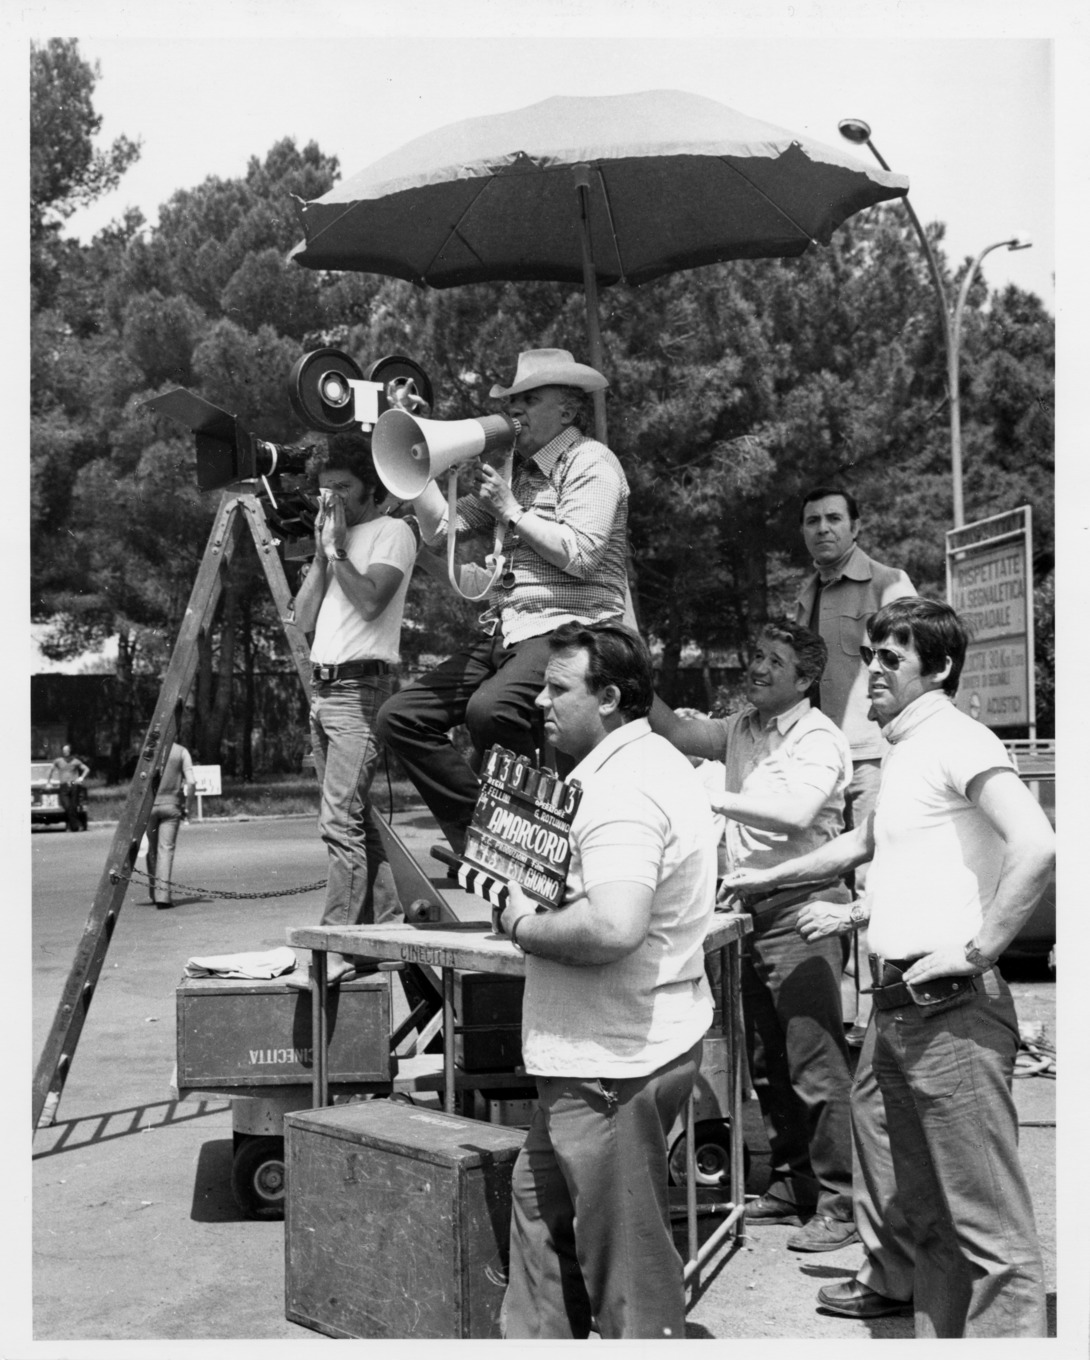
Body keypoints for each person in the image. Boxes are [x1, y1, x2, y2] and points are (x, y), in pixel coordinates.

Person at [722, 598, 1054, 1338]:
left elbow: (1037, 844)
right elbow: (861, 845)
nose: (872, 668)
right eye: (870, 654)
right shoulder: (908, 749)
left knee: (988, 1229)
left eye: (892, 658)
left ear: (938, 669)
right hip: (901, 1007)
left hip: (953, 1010)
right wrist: (767, 879)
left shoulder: (959, 740)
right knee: (929, 1217)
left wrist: (978, 950)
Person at [497, 622, 717, 1339]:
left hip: (611, 1066)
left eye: (559, 689)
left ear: (612, 697)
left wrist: (522, 925)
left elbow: (615, 927)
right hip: (598, 1058)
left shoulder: (622, 788)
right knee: (541, 1230)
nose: (540, 703)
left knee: (630, 1282)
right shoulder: (640, 766)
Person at [651, 619, 858, 1253]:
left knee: (815, 1064)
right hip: (751, 911)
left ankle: (843, 1203)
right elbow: (674, 731)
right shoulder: (742, 726)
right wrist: (627, 663)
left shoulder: (819, 737)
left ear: (807, 677)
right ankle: (793, 1186)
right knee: (768, 1065)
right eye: (757, 655)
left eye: (774, 661)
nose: (758, 668)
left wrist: (712, 799)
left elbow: (797, 813)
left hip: (805, 910)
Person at [375, 349, 629, 854]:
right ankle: (491, 838)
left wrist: (511, 510)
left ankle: (527, 839)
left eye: (529, 400)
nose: (515, 411)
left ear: (567, 410)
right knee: (399, 717)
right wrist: (421, 463)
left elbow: (581, 555)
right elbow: (442, 530)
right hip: (511, 631)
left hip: (573, 629)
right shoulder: (515, 472)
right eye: (514, 401)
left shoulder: (591, 461)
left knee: (491, 710)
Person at [793, 484, 918, 1309]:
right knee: (819, 929)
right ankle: (829, 1179)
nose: (822, 531)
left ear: (857, 527)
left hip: (869, 763)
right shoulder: (802, 595)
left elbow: (911, 670)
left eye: (833, 519)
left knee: (874, 904)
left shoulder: (890, 584)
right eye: (811, 522)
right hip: (820, 769)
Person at [288, 432, 417, 987]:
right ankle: (385, 927)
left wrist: (338, 550)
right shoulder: (330, 542)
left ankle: (334, 947)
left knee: (338, 821)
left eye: (342, 488)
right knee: (355, 818)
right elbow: (302, 619)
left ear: (371, 490)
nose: (331, 499)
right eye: (324, 490)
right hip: (323, 690)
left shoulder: (393, 532)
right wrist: (323, 554)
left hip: (360, 691)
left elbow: (368, 602)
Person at [145, 741, 196, 907]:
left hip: (149, 807)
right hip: (172, 806)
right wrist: (187, 807)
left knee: (151, 850)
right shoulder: (181, 751)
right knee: (165, 850)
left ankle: (154, 893)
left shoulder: (149, 749)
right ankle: (163, 897)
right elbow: (191, 782)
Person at [47, 743, 90, 832]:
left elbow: (86, 769)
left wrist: (81, 777)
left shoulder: (76, 761)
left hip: (74, 783)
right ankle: (77, 824)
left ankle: (72, 826)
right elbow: (51, 770)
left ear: (70, 751)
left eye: (66, 750)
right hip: (63, 785)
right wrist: (48, 782)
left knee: (74, 806)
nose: (65, 752)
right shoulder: (58, 761)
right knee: (67, 805)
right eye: (64, 750)